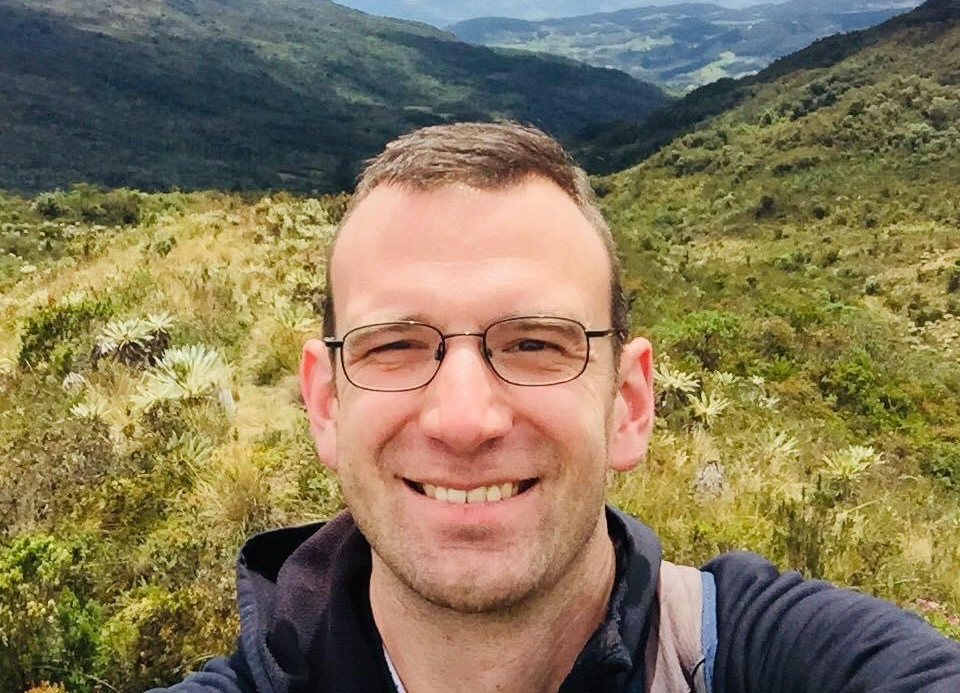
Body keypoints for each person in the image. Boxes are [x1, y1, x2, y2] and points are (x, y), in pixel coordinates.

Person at [150, 122, 960, 693]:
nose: (465, 419)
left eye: (535, 343)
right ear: (325, 403)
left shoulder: (765, 657)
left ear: (629, 403)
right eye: (393, 344)